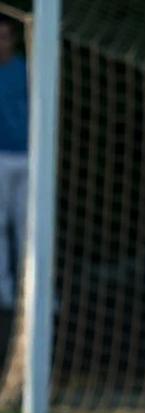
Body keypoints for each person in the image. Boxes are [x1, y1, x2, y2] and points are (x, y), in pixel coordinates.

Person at [0, 13, 28, 365]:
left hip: (28, 155)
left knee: (29, 226)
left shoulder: (26, 69)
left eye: (6, 36)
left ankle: (34, 289)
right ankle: (4, 290)